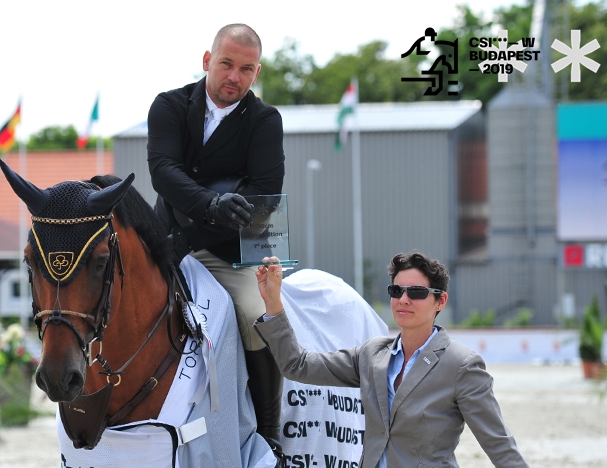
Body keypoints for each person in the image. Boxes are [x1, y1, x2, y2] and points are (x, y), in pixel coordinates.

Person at [147, 23, 286, 461]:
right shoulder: (169, 105)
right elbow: (163, 171)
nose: (234, 77)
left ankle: (267, 431)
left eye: (246, 69)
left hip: (233, 249)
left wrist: (194, 232)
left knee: (253, 313)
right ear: (208, 61)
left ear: (256, 72)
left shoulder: (265, 121)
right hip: (166, 235)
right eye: (226, 64)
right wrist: (209, 204)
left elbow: (263, 197)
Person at [254, 253, 530, 468]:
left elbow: (498, 444)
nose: (404, 300)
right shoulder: (372, 354)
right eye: (397, 291)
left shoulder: (462, 366)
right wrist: (274, 302)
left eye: (417, 293)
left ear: (440, 301)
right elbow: (297, 365)